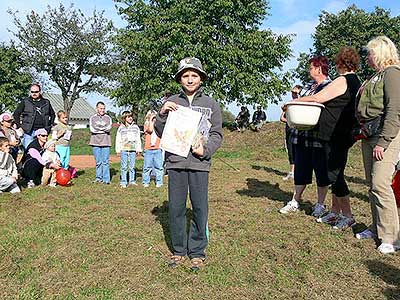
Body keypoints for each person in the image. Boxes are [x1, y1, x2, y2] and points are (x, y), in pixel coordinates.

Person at [155, 57, 223, 271]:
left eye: (194, 75)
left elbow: (217, 134)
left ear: (201, 79)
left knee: (200, 208)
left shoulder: (211, 104)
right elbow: (159, 130)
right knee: (176, 208)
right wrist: (162, 113)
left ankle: (197, 251)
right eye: (186, 76)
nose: (190, 79)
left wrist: (206, 149)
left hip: (199, 164)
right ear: (180, 79)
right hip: (175, 162)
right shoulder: (172, 101)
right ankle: (178, 250)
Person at [292, 47, 362, 229]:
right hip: (342, 133)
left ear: (341, 63)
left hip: (336, 134)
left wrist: (295, 101)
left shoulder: (343, 80)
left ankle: (347, 215)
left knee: (335, 174)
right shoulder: (357, 81)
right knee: (334, 173)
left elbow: (319, 98)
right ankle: (334, 212)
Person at [355, 36, 400, 254]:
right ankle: (376, 228)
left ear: (381, 53)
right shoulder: (375, 76)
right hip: (369, 134)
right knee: (372, 184)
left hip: (386, 135)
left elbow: (394, 110)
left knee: (381, 183)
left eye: (371, 53)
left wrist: (383, 141)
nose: (368, 57)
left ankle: (391, 237)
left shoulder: (392, 74)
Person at [279, 56, 332, 217]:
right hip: (302, 135)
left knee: (322, 172)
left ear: (318, 68)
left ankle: (320, 204)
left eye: (311, 67)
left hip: (319, 137)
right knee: (301, 169)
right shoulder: (309, 86)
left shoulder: (330, 86)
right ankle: (295, 200)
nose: (309, 70)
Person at [13, 83, 55, 149]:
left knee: (41, 151)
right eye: (32, 92)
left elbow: (52, 114)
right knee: (29, 151)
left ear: (40, 92)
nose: (34, 93)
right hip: (28, 132)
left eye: (36, 92)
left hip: (42, 131)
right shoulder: (25, 101)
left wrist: (50, 125)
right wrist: (19, 127)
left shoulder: (46, 102)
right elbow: (16, 114)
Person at [280, 85, 302, 181]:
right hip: (290, 131)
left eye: (296, 93)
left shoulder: (303, 104)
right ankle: (292, 172)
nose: (293, 94)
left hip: (300, 132)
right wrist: (285, 112)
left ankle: (299, 172)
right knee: (291, 152)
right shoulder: (289, 104)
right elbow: (282, 118)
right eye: (292, 92)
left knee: (299, 152)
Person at [115, 111, 142, 187]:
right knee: (124, 166)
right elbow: (118, 139)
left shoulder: (135, 127)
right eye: (128, 117)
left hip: (132, 149)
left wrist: (138, 149)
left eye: (131, 116)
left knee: (132, 166)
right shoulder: (121, 128)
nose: (130, 118)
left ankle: (132, 181)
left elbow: (138, 139)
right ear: (124, 118)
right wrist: (118, 150)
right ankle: (123, 181)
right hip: (124, 149)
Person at [89, 102, 112, 184]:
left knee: (105, 161)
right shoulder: (92, 118)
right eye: (101, 108)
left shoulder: (108, 118)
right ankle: (98, 178)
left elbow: (109, 128)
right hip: (95, 142)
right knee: (98, 161)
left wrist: (98, 129)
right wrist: (103, 129)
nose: (102, 110)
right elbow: (92, 129)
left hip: (106, 142)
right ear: (97, 108)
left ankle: (106, 179)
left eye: (103, 108)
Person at [142, 110, 163, 188]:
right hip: (148, 149)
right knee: (147, 167)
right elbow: (150, 130)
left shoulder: (159, 125)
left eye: (154, 115)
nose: (153, 117)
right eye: (151, 115)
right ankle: (145, 182)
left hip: (158, 148)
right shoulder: (146, 124)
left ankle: (159, 182)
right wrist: (150, 120)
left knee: (159, 167)